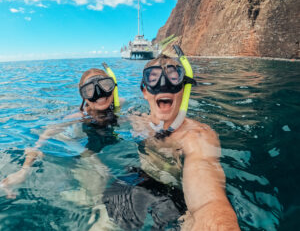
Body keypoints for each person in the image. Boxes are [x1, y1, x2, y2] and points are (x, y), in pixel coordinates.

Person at [129, 46, 240, 230]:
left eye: (173, 77)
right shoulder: (136, 120)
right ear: (145, 91)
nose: (163, 85)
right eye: (154, 78)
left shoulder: (196, 136)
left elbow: (209, 202)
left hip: (174, 198)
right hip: (139, 180)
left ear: (183, 88)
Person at [0, 64, 122, 206]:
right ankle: (62, 195)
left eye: (105, 85)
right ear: (84, 97)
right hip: (75, 149)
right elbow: (46, 135)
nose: (99, 94)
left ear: (113, 88)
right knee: (96, 193)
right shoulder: (80, 116)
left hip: (104, 147)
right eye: (89, 90)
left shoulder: (121, 106)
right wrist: (24, 170)